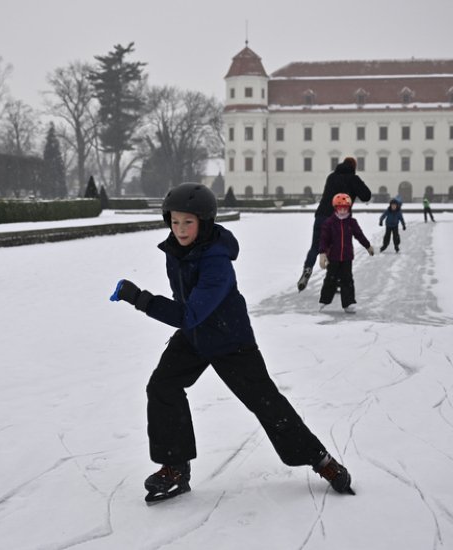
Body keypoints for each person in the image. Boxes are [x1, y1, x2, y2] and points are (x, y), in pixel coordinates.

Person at [110, 183, 354, 503]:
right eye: (175, 221)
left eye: (188, 222)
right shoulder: (176, 251)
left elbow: (190, 312)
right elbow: (187, 306)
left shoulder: (217, 262)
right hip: (196, 335)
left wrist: (139, 298)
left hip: (230, 339)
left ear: (204, 222)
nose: (180, 229)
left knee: (266, 403)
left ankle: (322, 462)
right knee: (162, 386)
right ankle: (175, 468)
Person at [297, 157, 371, 292]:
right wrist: (357, 185)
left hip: (321, 216)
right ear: (353, 168)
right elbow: (366, 195)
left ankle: (308, 268)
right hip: (338, 219)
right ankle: (336, 281)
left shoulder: (331, 177)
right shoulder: (353, 179)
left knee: (315, 247)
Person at [318, 193, 374, 313]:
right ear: (335, 208)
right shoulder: (329, 222)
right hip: (333, 256)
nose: (342, 210)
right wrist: (322, 254)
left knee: (347, 280)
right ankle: (324, 301)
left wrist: (367, 245)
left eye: (345, 207)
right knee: (330, 279)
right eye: (340, 207)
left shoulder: (351, 222)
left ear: (348, 208)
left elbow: (359, 235)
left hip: (347, 256)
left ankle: (348, 303)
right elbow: (324, 239)